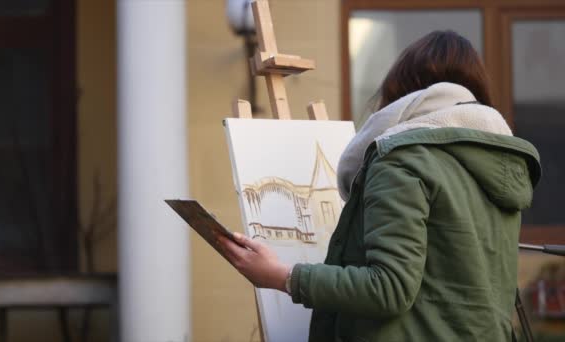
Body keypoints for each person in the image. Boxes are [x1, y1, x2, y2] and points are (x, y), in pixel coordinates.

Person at [217, 30, 541, 341]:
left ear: (403, 89)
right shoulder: (499, 161)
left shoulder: (404, 160)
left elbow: (389, 288)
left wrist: (282, 276)